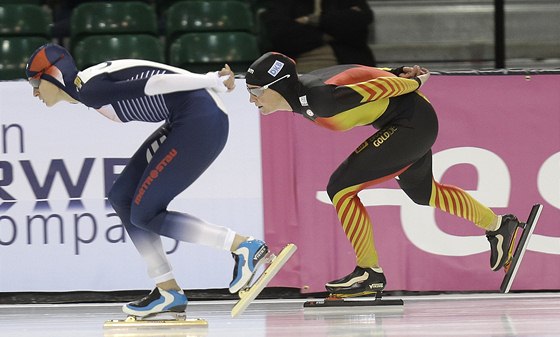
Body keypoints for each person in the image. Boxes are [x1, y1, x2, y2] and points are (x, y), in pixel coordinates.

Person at [244, 52, 521, 297]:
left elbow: (377, 87)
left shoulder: (318, 99)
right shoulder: (306, 91)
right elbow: (355, 72)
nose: (251, 99)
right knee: (425, 193)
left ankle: (368, 272)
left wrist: (411, 82)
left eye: (255, 92)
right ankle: (498, 225)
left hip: (410, 124)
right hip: (409, 122)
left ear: (277, 87)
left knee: (341, 188)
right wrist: (398, 69)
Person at [25, 43, 270, 316]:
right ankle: (167, 290)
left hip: (199, 120)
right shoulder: (87, 86)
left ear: (53, 74)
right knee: (121, 198)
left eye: (35, 82)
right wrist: (210, 84)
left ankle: (244, 246)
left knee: (144, 213)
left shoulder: (90, 88)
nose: (34, 92)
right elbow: (156, 74)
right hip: (187, 119)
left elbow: (155, 82)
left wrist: (210, 80)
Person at [259, 0, 376, 73]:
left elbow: (359, 22)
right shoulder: (284, 3)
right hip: (300, 66)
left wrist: (309, 20)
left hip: (348, 64)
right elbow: (280, 34)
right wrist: (328, 34)